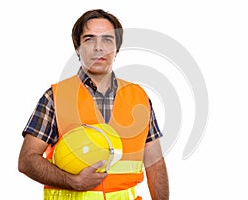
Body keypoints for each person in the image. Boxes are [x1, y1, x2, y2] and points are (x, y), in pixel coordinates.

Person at [18, 9, 169, 200]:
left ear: (117, 49)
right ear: (78, 48)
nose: (99, 47)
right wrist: (73, 181)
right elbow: (27, 160)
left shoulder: (139, 97)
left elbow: (155, 164)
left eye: (107, 39)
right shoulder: (55, 97)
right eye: (89, 39)